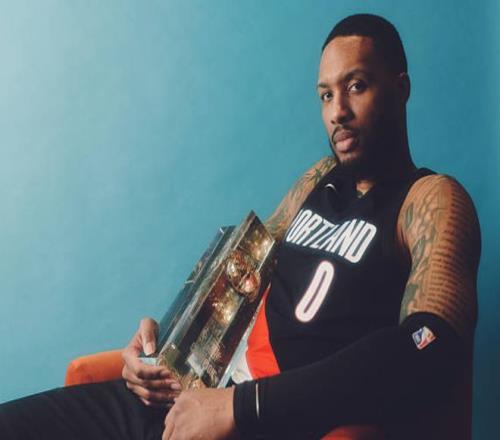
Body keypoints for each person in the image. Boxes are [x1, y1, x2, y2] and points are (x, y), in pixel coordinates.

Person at [0, 13, 480, 440]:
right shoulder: (318, 179)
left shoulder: (430, 199)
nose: (337, 112)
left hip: (259, 421)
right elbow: (239, 275)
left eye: (356, 86)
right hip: (189, 402)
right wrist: (158, 350)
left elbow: (429, 346)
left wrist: (241, 407)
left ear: (400, 88)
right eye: (326, 95)